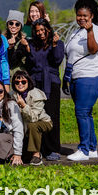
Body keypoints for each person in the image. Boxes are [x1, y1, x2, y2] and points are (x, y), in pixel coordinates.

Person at [65, 0, 98, 161]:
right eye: (79, 15)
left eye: (85, 16)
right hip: (75, 76)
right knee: (86, 113)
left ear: (92, 16)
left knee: (81, 112)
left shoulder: (96, 31)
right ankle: (91, 147)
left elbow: (93, 49)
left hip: (90, 76)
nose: (81, 18)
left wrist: (89, 31)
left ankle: (84, 150)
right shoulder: (76, 31)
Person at [25, 18, 64, 161]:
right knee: (36, 114)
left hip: (51, 83)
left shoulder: (58, 43)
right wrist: (28, 51)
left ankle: (53, 149)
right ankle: (38, 148)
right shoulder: (32, 45)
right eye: (38, 31)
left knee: (52, 116)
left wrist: (54, 46)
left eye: (43, 30)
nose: (41, 33)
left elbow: (57, 61)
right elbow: (30, 65)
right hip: (36, 83)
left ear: (48, 29)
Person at [9, 71, 52, 166]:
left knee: (33, 126)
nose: (20, 84)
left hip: (42, 121)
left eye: (23, 82)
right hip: (23, 124)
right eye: (17, 82)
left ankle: (36, 154)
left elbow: (34, 118)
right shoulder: (11, 95)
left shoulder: (36, 94)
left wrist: (24, 106)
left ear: (28, 82)